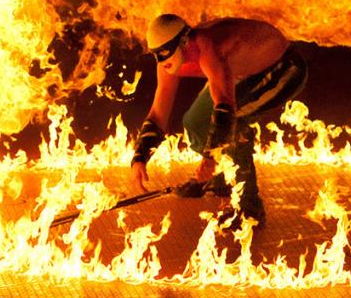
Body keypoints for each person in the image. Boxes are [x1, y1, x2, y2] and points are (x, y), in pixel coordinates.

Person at [130, 14, 307, 229]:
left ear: (184, 42)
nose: (161, 61)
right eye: (155, 54)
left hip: (283, 68)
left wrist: (210, 158)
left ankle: (248, 209)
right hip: (239, 73)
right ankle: (224, 178)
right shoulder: (167, 61)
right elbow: (158, 113)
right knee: (195, 122)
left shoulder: (209, 49)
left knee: (233, 124)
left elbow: (225, 109)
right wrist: (140, 156)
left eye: (165, 52)